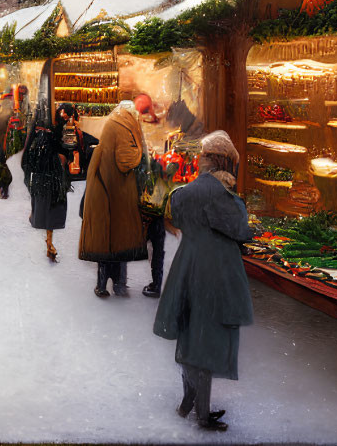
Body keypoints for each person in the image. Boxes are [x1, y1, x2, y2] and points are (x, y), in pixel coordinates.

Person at [153, 131, 253, 433]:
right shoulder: (221, 194)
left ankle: (188, 403)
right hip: (214, 272)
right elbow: (239, 229)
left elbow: (180, 217)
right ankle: (203, 415)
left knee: (189, 336)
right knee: (206, 342)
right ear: (224, 161)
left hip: (188, 266)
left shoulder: (185, 193)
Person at [79, 101, 149, 297]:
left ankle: (103, 284)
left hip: (104, 188)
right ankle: (118, 284)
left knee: (106, 239)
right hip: (116, 190)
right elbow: (125, 159)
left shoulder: (113, 122)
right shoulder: (124, 126)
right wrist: (140, 152)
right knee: (120, 239)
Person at [23, 99, 70, 259]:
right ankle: (49, 241)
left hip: (48, 171)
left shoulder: (51, 123)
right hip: (47, 171)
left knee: (47, 203)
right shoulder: (47, 124)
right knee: (49, 203)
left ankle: (49, 242)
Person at [139, 144, 180, 297]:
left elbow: (153, 205)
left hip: (154, 222)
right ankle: (157, 283)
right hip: (158, 222)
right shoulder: (164, 183)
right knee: (157, 254)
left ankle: (156, 285)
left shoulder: (155, 184)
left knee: (156, 254)